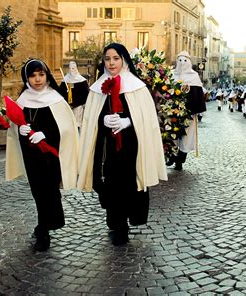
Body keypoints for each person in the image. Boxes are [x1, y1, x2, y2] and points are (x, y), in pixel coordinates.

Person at [77, 43, 167, 245]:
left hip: (131, 147)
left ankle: (124, 223)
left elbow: (147, 119)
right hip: (106, 149)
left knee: (129, 186)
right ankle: (117, 225)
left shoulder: (137, 87)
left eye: (116, 58)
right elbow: (90, 119)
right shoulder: (97, 88)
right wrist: (102, 120)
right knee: (109, 185)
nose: (111, 63)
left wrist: (128, 121)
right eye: (107, 59)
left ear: (124, 59)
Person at [5, 59, 79, 251]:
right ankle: (43, 230)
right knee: (39, 193)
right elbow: (16, 126)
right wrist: (19, 130)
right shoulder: (23, 100)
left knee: (50, 191)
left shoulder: (56, 99)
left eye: (41, 74)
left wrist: (46, 134)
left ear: (46, 76)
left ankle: (44, 227)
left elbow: (67, 129)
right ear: (26, 78)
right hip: (32, 156)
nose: (37, 79)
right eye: (32, 75)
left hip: (52, 155)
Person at [169, 51, 206, 170]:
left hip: (188, 114)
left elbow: (198, 94)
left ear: (189, 62)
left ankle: (180, 158)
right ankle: (172, 156)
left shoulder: (194, 76)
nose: (182, 63)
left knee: (185, 136)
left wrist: (196, 110)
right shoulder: (172, 75)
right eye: (180, 60)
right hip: (172, 112)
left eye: (185, 60)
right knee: (172, 134)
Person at [60, 61, 89, 129]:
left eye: (73, 68)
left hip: (78, 107)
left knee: (77, 125)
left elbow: (86, 94)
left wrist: (77, 103)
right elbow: (61, 93)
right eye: (70, 68)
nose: (71, 70)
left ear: (76, 68)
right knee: (69, 125)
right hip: (68, 107)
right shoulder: (65, 80)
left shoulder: (82, 81)